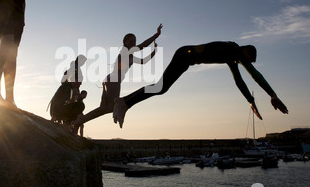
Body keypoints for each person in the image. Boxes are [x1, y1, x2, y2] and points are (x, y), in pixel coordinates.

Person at [113, 41, 288, 128]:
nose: (245, 63)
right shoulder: (234, 50)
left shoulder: (232, 57)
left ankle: (124, 103)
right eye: (248, 60)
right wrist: (272, 94)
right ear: (245, 51)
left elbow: (239, 80)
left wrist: (250, 100)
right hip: (184, 54)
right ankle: (124, 103)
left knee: (160, 87)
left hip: (186, 59)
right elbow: (254, 75)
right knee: (161, 87)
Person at [71, 24, 163, 131]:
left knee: (103, 109)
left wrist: (154, 51)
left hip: (109, 79)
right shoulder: (125, 51)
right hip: (113, 80)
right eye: (130, 41)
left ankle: (80, 120)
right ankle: (79, 120)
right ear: (125, 43)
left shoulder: (131, 56)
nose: (133, 44)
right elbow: (143, 46)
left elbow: (144, 61)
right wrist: (156, 35)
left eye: (134, 41)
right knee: (110, 108)